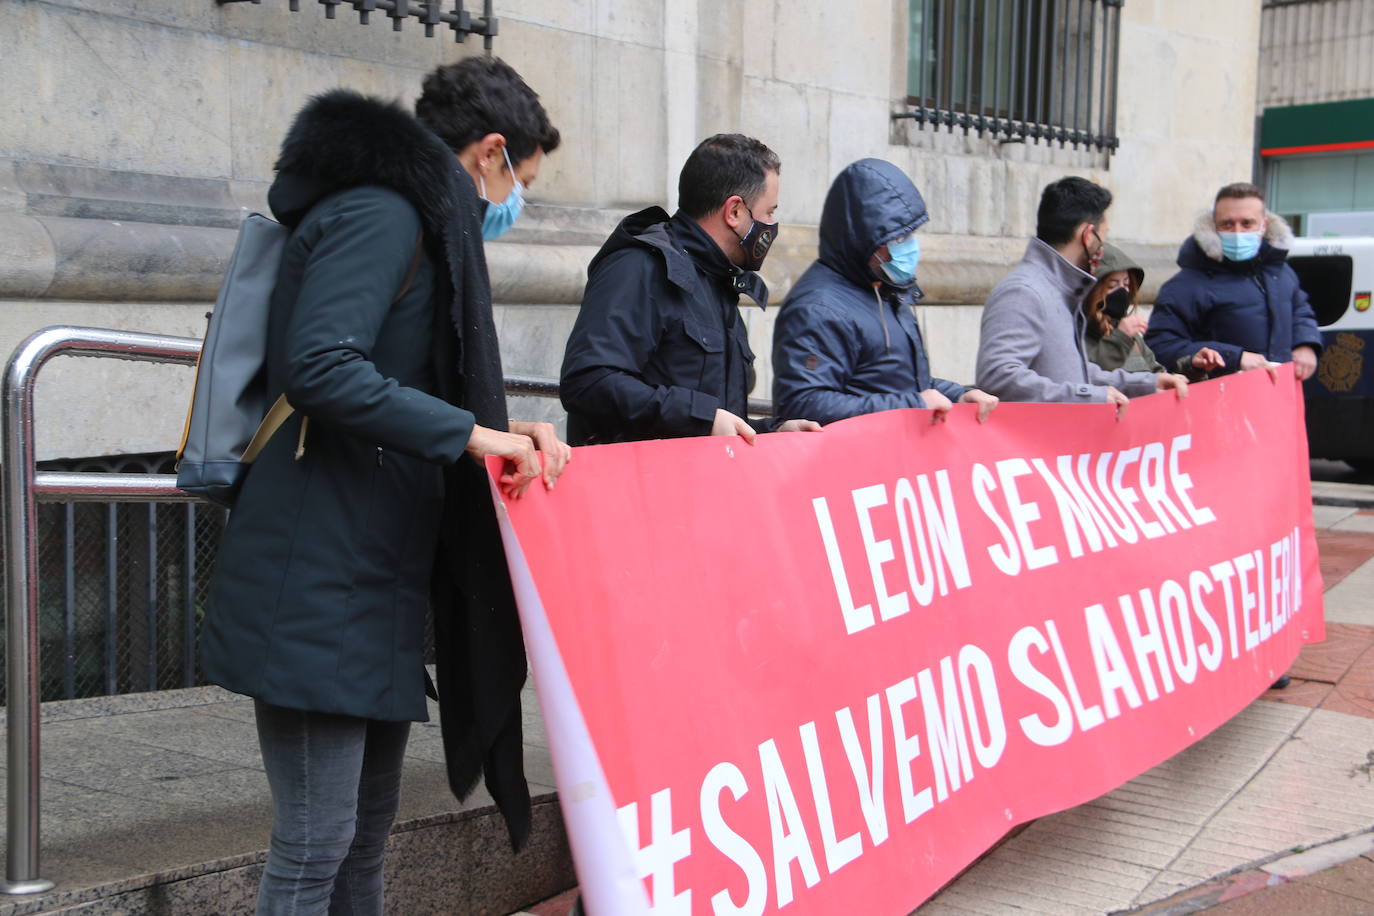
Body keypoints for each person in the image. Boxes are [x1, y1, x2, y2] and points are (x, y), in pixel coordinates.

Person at [199, 58, 569, 915]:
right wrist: (474, 433)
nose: (516, 204)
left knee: (363, 843)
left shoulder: (416, 221)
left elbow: (419, 383)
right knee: (315, 845)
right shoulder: (383, 213)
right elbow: (322, 366)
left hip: (370, 572)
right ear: (490, 154)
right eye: (522, 181)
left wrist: (506, 428)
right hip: (317, 573)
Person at [560, 133, 821, 444]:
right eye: (769, 211)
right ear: (734, 211)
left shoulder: (716, 281)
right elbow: (588, 383)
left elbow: (713, 421)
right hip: (638, 486)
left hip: (696, 484)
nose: (771, 223)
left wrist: (771, 433)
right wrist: (703, 417)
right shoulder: (639, 267)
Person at [771, 158, 997, 424]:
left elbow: (900, 379)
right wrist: (913, 405)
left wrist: (958, 395)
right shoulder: (818, 308)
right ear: (862, 241)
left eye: (909, 235)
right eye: (896, 239)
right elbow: (804, 406)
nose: (909, 247)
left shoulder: (884, 287)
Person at [976, 176, 1189, 413]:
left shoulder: (1056, 289)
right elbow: (998, 376)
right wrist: (1088, 396)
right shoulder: (1024, 291)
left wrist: (1143, 384)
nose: (1103, 246)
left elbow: (1071, 372)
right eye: (1103, 236)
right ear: (1088, 235)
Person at [1145, 182, 1321, 382]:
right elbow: (1160, 345)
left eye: (1247, 223)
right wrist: (1234, 357)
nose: (1237, 232)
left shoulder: (1279, 271)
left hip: (1278, 394)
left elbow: (1300, 309)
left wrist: (1306, 343)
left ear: (1263, 226)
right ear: (1214, 226)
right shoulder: (1186, 285)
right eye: (1227, 224)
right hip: (1219, 400)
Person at [1082, 244, 1225, 377]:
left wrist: (1192, 367)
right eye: (1112, 285)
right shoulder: (1076, 330)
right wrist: (1120, 338)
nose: (1122, 291)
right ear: (1092, 290)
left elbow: (1157, 378)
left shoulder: (1129, 334)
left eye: (1126, 284)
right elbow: (1087, 376)